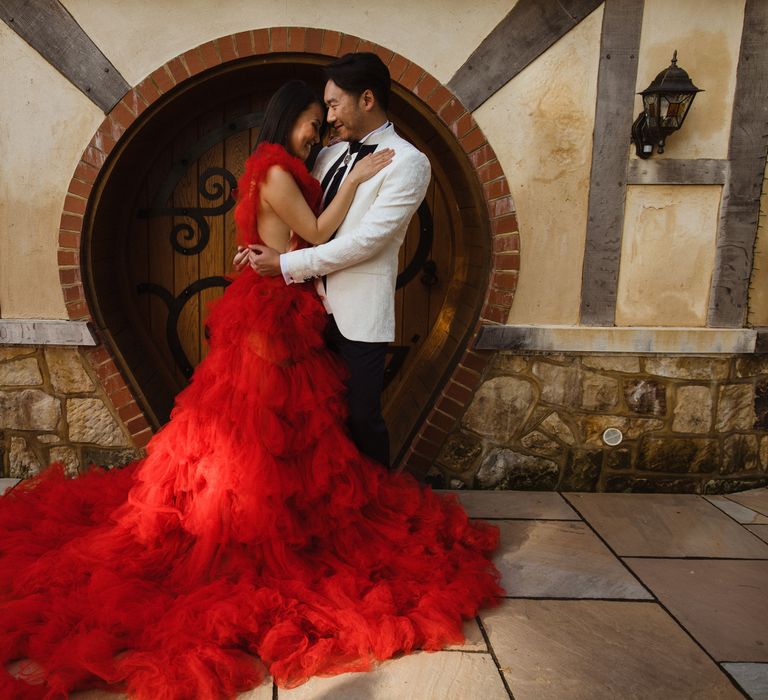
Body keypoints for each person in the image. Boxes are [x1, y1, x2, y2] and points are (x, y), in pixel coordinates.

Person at [0, 79, 502, 700]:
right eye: (313, 120)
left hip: (279, 300)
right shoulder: (274, 168)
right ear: (288, 117)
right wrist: (354, 180)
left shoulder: (287, 163)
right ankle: (257, 525)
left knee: (275, 427)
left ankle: (282, 515)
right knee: (261, 427)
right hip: (270, 308)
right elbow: (317, 233)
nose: (319, 130)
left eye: (325, 119)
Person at [240, 52, 431, 469]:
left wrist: (286, 266)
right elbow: (292, 217)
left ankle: (377, 509)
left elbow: (366, 242)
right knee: (314, 424)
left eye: (332, 104)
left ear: (366, 99)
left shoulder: (408, 163)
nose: (327, 117)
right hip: (305, 315)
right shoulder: (327, 155)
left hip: (357, 317)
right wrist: (259, 247)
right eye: (324, 108)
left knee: (362, 419)